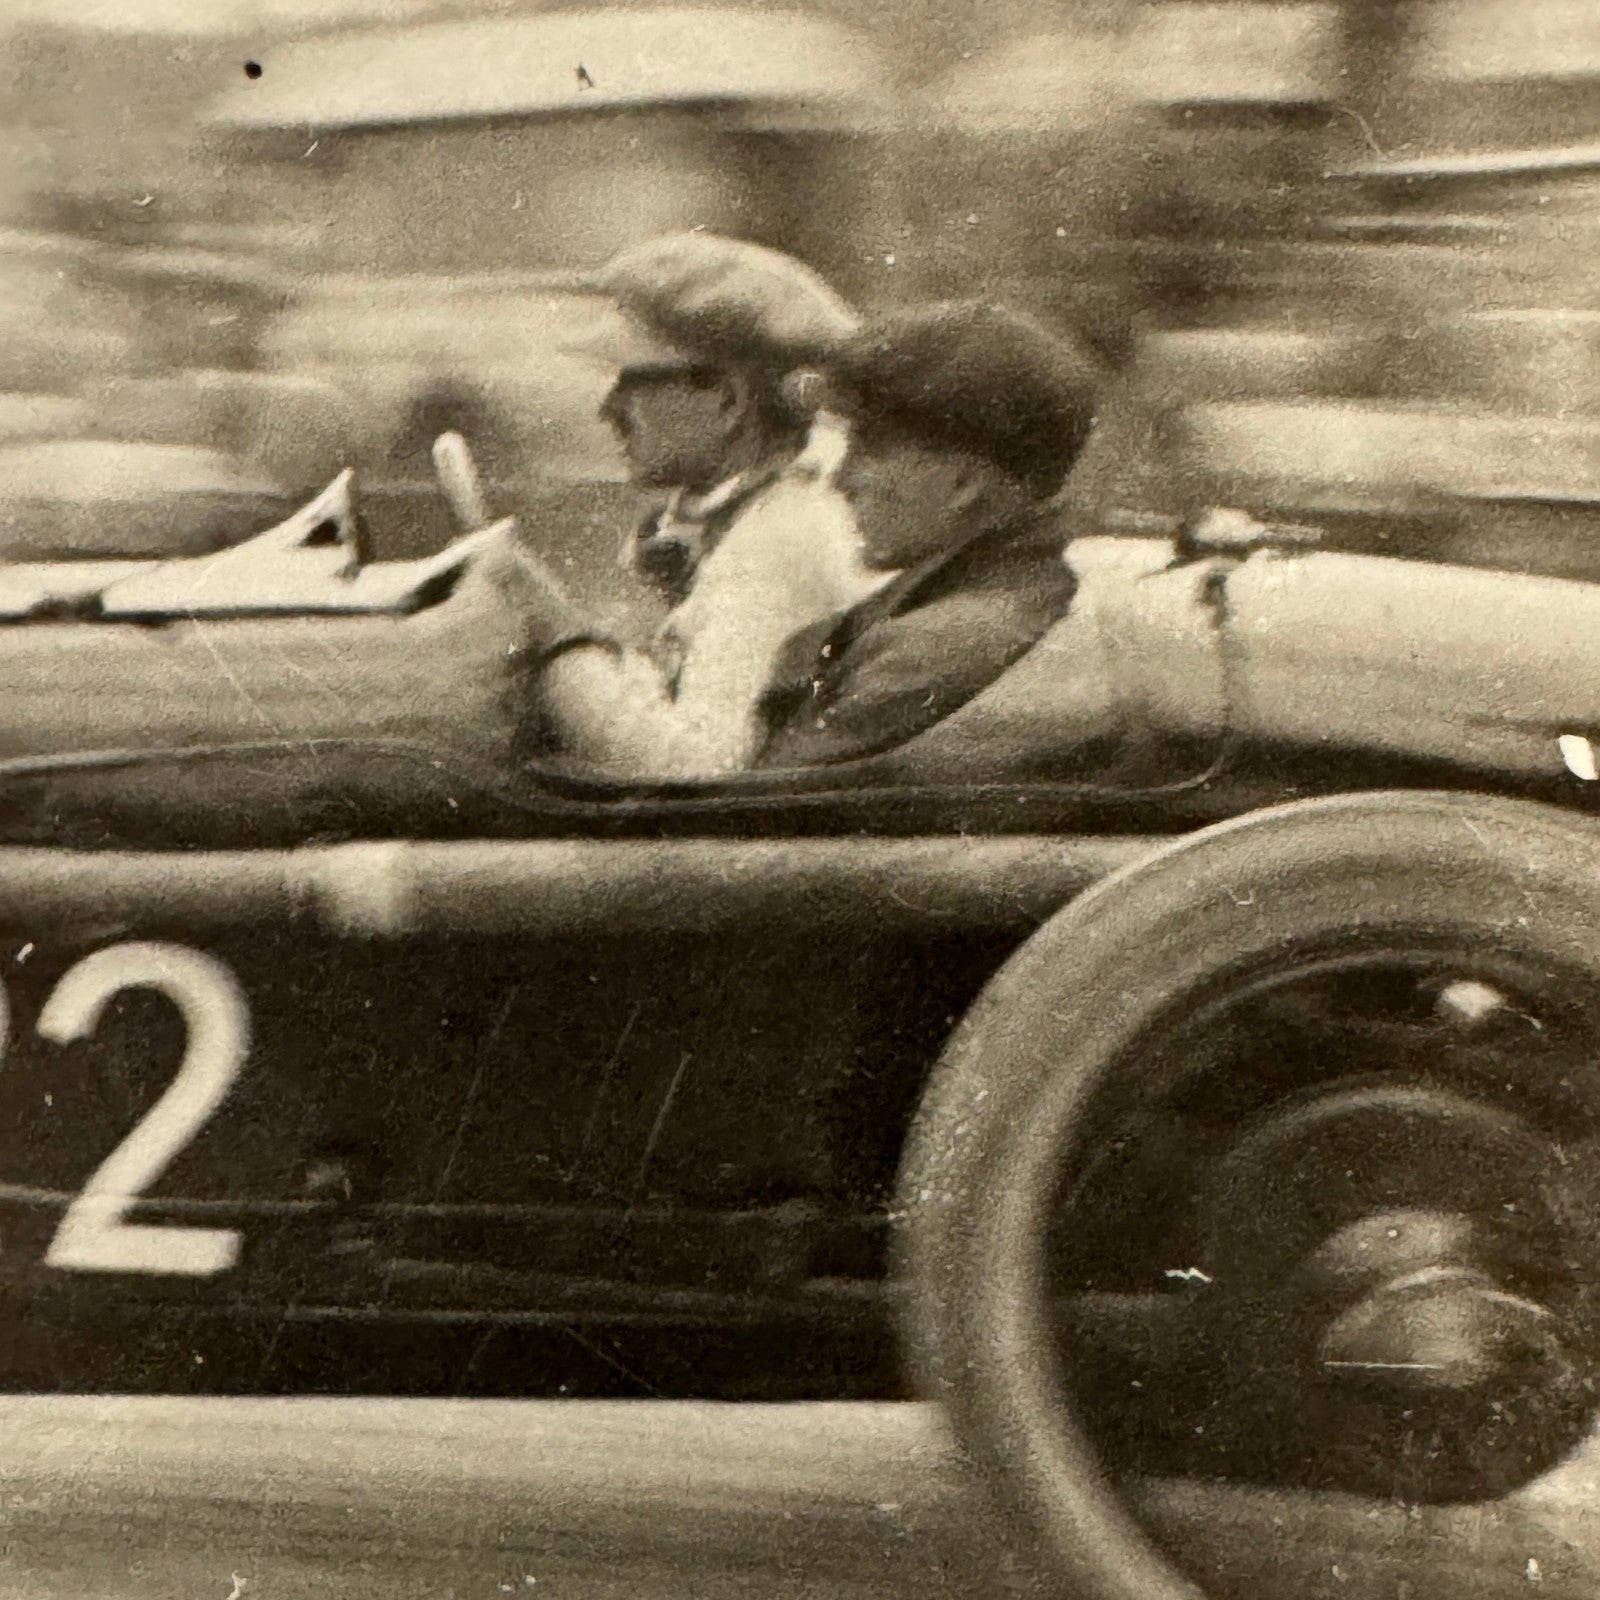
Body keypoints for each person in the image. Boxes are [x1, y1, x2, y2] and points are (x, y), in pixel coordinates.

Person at [525, 232, 890, 776]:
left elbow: (695, 769)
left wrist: (555, 635)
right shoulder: (769, 507)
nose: (609, 409)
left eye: (633, 382)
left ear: (728, 400)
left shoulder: (779, 540)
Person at [752, 301, 1103, 769]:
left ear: (964, 483)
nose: (841, 480)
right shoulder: (975, 606)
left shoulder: (925, 654)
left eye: (871, 450)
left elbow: (751, 817)